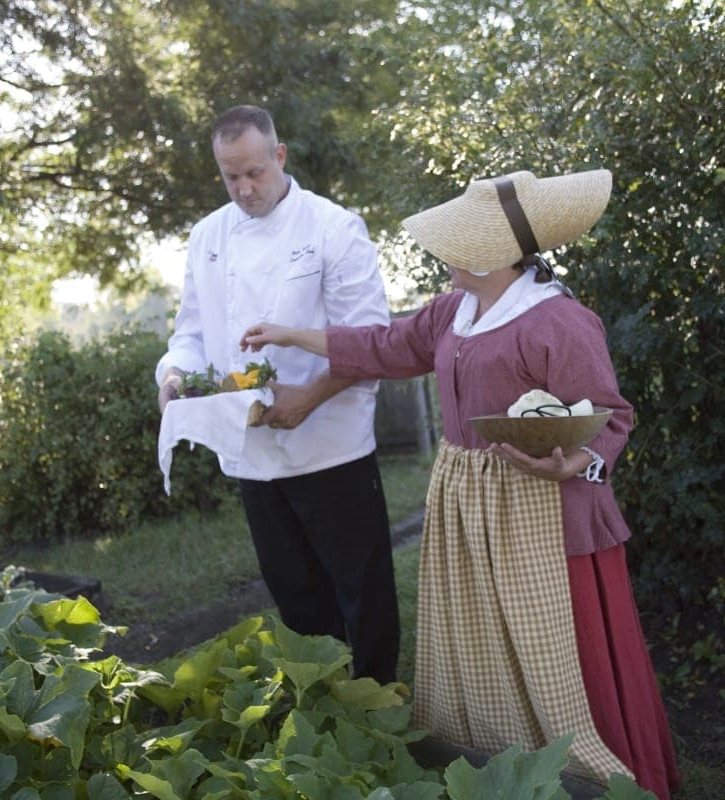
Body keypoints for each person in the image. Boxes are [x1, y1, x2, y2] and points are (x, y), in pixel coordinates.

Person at [240, 169, 680, 798]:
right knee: (483, 642)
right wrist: (292, 333)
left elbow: (612, 416)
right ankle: (501, 768)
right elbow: (386, 343)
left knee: (556, 650)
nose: (442, 252)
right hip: (469, 507)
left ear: (491, 252)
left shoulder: (557, 321)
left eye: (455, 241)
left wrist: (573, 464)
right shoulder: (457, 309)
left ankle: (587, 779)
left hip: (541, 509)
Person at [155, 105, 400, 684]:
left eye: (254, 173)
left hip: (331, 448)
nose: (243, 188)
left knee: (362, 600)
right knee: (296, 599)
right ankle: (323, 715)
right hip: (253, 457)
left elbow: (368, 341)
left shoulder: (333, 227)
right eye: (230, 176)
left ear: (280, 155)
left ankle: (380, 719)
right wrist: (172, 381)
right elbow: (190, 332)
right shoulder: (207, 236)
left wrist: (307, 398)